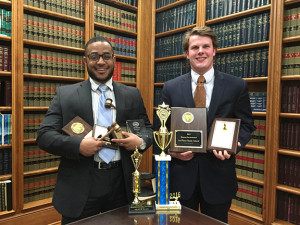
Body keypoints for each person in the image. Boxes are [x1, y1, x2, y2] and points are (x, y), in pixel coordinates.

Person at [37, 36, 153, 224]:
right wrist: (78, 145)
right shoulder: (65, 95)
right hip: (80, 183)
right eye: (94, 56)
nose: (101, 62)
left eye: (106, 56)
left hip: (121, 183)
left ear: (114, 60)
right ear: (85, 61)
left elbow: (148, 129)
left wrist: (140, 142)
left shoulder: (132, 94)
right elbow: (44, 136)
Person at [162, 26, 256, 223]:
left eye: (206, 46)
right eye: (195, 47)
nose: (201, 51)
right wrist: (171, 150)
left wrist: (235, 144)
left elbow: (247, 124)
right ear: (187, 54)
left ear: (214, 50)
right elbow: (162, 128)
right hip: (181, 177)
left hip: (218, 177)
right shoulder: (170, 87)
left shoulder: (236, 85)